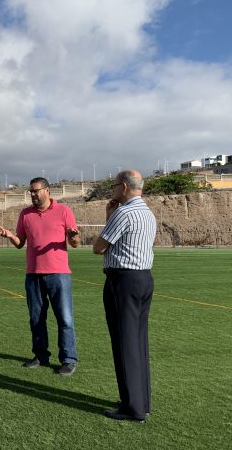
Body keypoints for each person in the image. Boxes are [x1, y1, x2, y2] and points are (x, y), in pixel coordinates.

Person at [0, 177, 81, 375]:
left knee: (65, 319)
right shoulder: (25, 214)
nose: (33, 194)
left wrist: (74, 236)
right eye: (31, 191)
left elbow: (75, 242)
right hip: (33, 274)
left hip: (58, 274)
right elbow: (20, 243)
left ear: (47, 191)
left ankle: (68, 359)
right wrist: (10, 236)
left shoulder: (64, 211)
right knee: (36, 318)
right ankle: (41, 355)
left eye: (36, 191)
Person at [93, 169, 156, 423]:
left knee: (125, 342)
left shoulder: (124, 212)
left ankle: (133, 408)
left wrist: (109, 216)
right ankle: (141, 401)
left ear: (126, 187)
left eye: (115, 185)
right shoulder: (148, 212)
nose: (113, 190)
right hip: (143, 278)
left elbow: (98, 247)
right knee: (138, 342)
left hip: (124, 280)